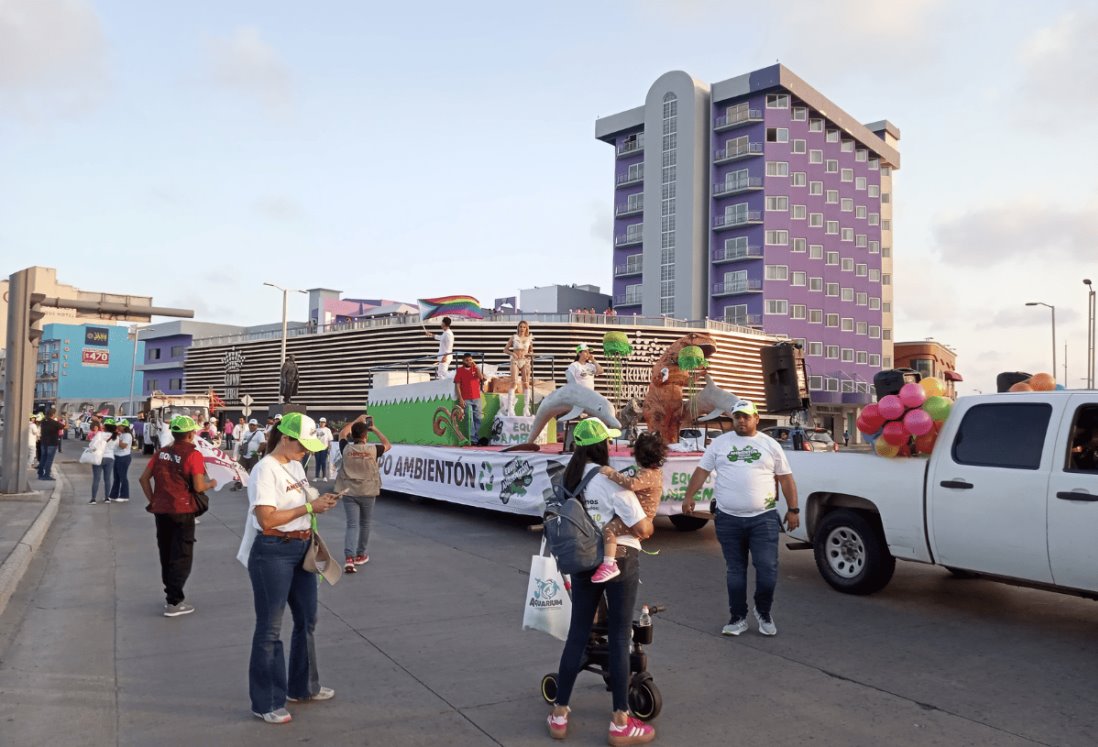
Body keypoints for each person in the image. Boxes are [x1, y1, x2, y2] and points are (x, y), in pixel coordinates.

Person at [547, 418, 655, 745]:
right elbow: (643, 529)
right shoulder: (609, 481)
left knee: (578, 634)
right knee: (620, 636)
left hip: (581, 560)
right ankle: (621, 721)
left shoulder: (566, 478)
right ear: (602, 445)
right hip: (618, 559)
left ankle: (560, 713)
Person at [244, 412, 340, 724]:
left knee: (307, 619)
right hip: (272, 551)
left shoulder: (296, 464)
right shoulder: (265, 470)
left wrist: (318, 502)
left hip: (301, 547)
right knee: (270, 628)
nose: (306, 452)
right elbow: (267, 519)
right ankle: (266, 701)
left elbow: (300, 503)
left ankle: (302, 687)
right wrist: (310, 506)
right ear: (285, 438)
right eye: (302, 446)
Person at [681, 400, 799, 637]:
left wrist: (793, 510)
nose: (741, 421)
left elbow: (785, 478)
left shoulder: (770, 444)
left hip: (763, 518)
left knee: (767, 569)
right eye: (737, 417)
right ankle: (738, 617)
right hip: (728, 519)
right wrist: (688, 496)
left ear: (756, 418)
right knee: (735, 571)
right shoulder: (720, 444)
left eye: (746, 417)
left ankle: (763, 612)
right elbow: (702, 470)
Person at [138, 415, 216, 617]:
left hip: (161, 510)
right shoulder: (193, 455)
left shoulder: (161, 453)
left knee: (165, 552)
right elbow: (198, 486)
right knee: (182, 554)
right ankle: (174, 601)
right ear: (191, 434)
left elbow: (144, 479)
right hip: (182, 511)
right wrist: (211, 484)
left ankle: (170, 594)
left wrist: (154, 499)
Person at [592, 432, 667, 583]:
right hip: (639, 517)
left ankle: (609, 565)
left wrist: (611, 473)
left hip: (638, 518)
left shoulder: (647, 474)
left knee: (609, 530)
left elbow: (632, 484)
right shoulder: (655, 472)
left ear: (639, 456)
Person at [336, 414, 391, 572]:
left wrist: (357, 420)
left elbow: (341, 434)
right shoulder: (374, 449)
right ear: (366, 435)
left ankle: (349, 558)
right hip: (368, 491)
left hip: (349, 491)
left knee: (352, 525)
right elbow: (387, 444)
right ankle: (361, 555)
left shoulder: (346, 448)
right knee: (365, 524)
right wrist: (374, 428)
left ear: (352, 435)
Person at [453, 353, 487, 443]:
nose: (469, 361)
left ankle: (475, 438)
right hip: (466, 399)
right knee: (470, 419)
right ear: (463, 361)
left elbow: (482, 378)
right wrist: (460, 398)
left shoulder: (476, 369)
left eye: (471, 359)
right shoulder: (459, 370)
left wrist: (477, 368)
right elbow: (457, 385)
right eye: (467, 360)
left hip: (477, 397)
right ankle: (473, 439)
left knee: (478, 418)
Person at [504, 321, 535, 416]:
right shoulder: (513, 337)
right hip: (515, 360)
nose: (522, 328)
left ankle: (526, 408)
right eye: (520, 327)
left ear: (526, 328)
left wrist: (529, 356)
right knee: (513, 382)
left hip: (525, 361)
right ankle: (510, 408)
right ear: (518, 328)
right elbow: (505, 349)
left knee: (526, 383)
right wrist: (512, 353)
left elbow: (531, 352)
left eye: (524, 327)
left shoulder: (529, 339)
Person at [232, 418, 266, 491]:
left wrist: (257, 452)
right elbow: (243, 441)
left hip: (253, 456)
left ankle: (254, 486)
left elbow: (263, 444)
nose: (252, 426)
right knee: (240, 469)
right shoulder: (247, 432)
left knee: (253, 471)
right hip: (244, 455)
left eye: (254, 425)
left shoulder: (259, 433)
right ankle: (239, 484)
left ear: (256, 426)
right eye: (251, 425)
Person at [88, 420, 116, 504]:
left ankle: (93, 499)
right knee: (107, 479)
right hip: (110, 458)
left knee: (96, 479)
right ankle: (107, 498)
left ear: (105, 427)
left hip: (98, 457)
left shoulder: (99, 434)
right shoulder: (115, 436)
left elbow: (92, 445)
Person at [108, 419, 134, 502]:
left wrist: (118, 438)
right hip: (117, 456)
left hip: (124, 457)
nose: (117, 427)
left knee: (123, 477)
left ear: (124, 426)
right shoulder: (122, 434)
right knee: (116, 477)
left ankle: (124, 495)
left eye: (119, 426)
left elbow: (123, 446)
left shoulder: (127, 435)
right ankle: (113, 495)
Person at [36, 410, 63, 481]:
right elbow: (65, 427)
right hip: (52, 443)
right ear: (53, 414)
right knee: (49, 460)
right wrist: (65, 418)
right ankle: (46, 475)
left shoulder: (43, 422)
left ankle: (40, 474)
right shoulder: (54, 423)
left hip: (43, 443)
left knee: (43, 459)